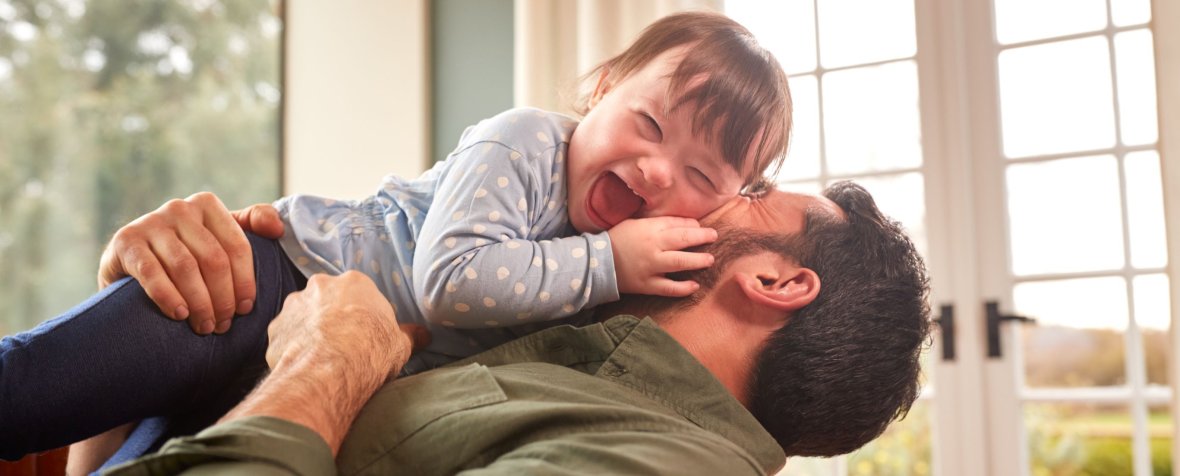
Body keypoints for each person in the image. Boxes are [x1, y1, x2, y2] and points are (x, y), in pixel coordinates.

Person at [0, 10, 793, 471]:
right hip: (270, 283)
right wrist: (607, 260)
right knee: (37, 388)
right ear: (601, 91)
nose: (657, 171)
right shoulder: (523, 144)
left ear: (727, 205)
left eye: (701, 174)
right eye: (648, 124)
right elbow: (451, 280)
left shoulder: (633, 274)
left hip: (319, 373)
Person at [103, 181, 933, 475]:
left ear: (776, 282)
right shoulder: (548, 363)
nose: (690, 195)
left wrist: (325, 366)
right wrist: (149, 302)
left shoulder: (659, 464)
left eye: (748, 191)